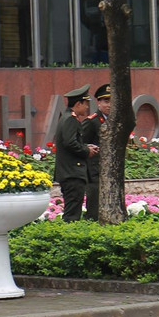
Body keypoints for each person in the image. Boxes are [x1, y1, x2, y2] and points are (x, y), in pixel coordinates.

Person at [55, 84, 98, 222]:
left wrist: (86, 146)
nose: (87, 108)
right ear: (78, 104)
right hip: (72, 173)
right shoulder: (70, 120)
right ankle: (68, 240)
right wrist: (86, 151)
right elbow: (69, 143)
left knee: (73, 211)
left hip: (71, 172)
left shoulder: (68, 118)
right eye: (85, 104)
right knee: (72, 214)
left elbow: (72, 141)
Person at [82, 83, 111, 221]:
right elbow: (82, 145)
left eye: (112, 101)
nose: (109, 105)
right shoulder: (92, 122)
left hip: (110, 170)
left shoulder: (115, 121)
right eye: (106, 101)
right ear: (98, 102)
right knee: (94, 206)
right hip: (94, 171)